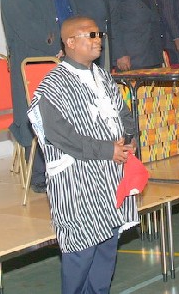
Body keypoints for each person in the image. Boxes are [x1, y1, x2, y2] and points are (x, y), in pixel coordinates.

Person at [27, 16, 138, 294]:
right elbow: (59, 136)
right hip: (78, 181)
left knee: (106, 247)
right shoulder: (52, 86)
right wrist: (105, 149)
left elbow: (123, 113)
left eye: (98, 34)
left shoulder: (101, 76)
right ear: (71, 42)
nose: (98, 39)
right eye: (90, 35)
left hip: (110, 175)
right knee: (82, 250)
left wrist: (129, 139)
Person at [0, 0, 74, 194]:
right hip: (35, 58)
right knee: (39, 114)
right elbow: (22, 22)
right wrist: (52, 45)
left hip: (63, 53)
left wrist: (72, 40)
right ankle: (41, 174)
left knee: (64, 113)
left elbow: (66, 9)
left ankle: (67, 166)